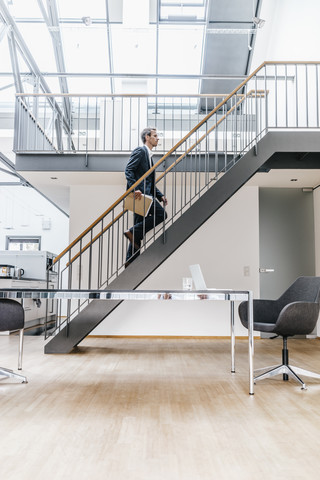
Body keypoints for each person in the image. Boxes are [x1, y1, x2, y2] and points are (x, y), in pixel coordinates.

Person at [124, 127, 168, 266]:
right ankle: (132, 231)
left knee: (138, 232)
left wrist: (160, 196)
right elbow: (128, 170)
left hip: (146, 195)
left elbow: (149, 182)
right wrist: (135, 189)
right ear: (147, 137)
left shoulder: (149, 157)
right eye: (155, 135)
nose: (158, 138)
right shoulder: (140, 151)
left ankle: (131, 262)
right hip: (141, 196)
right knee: (161, 215)